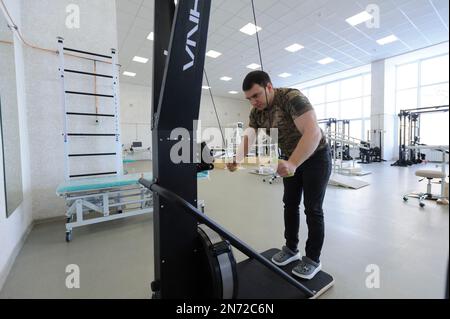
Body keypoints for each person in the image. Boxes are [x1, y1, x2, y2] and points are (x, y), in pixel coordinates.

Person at [227, 71, 332, 280]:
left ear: (269, 87)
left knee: (312, 209)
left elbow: (313, 133)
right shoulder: (257, 112)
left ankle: (312, 260)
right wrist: (237, 157)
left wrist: (293, 162)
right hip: (290, 158)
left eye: (256, 95)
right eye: (248, 98)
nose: (253, 101)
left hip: (315, 157)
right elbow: (249, 135)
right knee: (290, 204)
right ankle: (291, 249)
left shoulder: (292, 98)